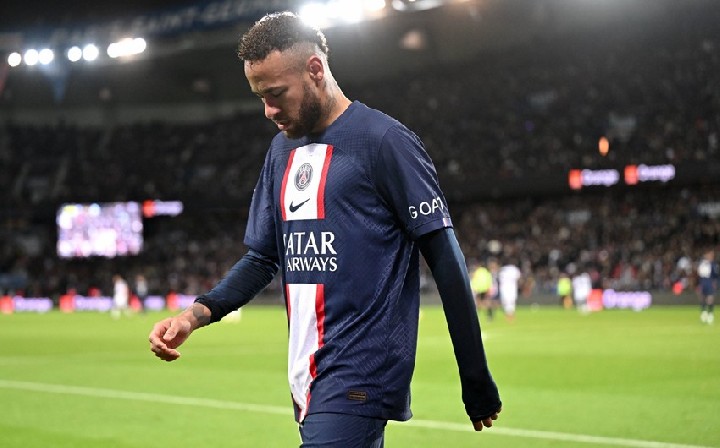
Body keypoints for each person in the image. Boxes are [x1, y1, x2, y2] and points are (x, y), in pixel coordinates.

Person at [148, 11, 501, 447]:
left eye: (276, 93)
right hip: (307, 377)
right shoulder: (280, 152)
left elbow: (445, 259)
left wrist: (474, 373)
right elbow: (263, 257)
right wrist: (194, 316)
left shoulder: (383, 142)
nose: (268, 110)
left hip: (360, 375)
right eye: (260, 97)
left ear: (315, 70)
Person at [697, 249, 718, 325]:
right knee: (702, 297)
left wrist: (715, 283)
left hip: (709, 281)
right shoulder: (702, 263)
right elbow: (698, 273)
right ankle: (704, 312)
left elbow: (715, 275)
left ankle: (710, 314)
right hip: (702, 281)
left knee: (710, 298)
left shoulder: (713, 264)